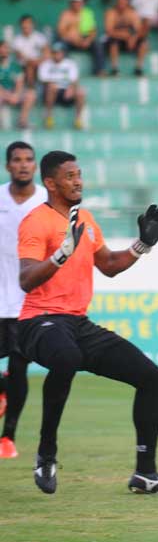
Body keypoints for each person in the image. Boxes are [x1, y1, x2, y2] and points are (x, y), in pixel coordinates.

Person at [17, 150, 158, 494]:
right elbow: (27, 280)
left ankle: (145, 474)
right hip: (39, 321)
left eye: (79, 175)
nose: (78, 181)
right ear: (50, 183)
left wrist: (142, 244)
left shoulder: (85, 221)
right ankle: (47, 452)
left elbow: (109, 265)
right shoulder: (35, 221)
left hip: (77, 323)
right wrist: (61, 252)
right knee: (67, 358)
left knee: (151, 377)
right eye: (70, 176)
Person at [0, 142, 46, 459]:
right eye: (17, 160)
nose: (23, 165)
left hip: (27, 301)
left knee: (19, 368)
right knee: (10, 377)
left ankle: (8, 438)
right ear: (8, 166)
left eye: (29, 160)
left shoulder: (46, 200)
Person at [38, 43, 86, 130]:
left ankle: (78, 119)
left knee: (81, 92)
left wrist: (72, 88)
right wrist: (54, 84)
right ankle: (49, 117)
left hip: (66, 90)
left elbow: (74, 80)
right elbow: (43, 80)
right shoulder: (46, 64)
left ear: (63, 53)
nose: (57, 55)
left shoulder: (70, 64)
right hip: (51, 91)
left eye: (59, 52)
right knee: (51, 87)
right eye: (55, 52)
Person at [58, 0, 104, 75]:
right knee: (62, 46)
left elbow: (93, 30)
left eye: (79, 2)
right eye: (74, 2)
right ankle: (66, 72)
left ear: (83, 3)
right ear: (71, 3)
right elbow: (61, 32)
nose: (77, 4)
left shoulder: (87, 13)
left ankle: (99, 70)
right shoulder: (66, 14)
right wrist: (74, 40)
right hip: (70, 40)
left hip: (85, 39)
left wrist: (88, 40)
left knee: (97, 45)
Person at [103, 0, 147, 77]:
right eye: (120, 2)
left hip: (130, 40)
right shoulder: (111, 12)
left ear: (127, 2)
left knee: (143, 43)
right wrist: (124, 35)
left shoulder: (132, 13)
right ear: (116, 2)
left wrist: (133, 37)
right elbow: (109, 31)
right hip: (116, 39)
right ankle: (115, 68)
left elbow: (139, 30)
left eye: (124, 2)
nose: (121, 4)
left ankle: (138, 68)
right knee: (113, 43)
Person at [0, 42, 36, 130]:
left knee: (31, 94)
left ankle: (22, 122)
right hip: (2, 93)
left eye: (6, 48)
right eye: (2, 48)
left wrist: (16, 94)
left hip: (13, 92)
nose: (4, 51)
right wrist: (7, 95)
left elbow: (20, 82)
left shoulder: (15, 65)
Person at [11, 15, 48, 87]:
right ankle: (31, 90)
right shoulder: (17, 40)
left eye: (29, 23)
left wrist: (39, 61)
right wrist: (32, 62)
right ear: (21, 25)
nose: (26, 25)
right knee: (29, 66)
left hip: (39, 63)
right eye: (24, 23)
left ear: (33, 24)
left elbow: (47, 52)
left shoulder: (39, 37)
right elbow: (20, 56)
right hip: (23, 65)